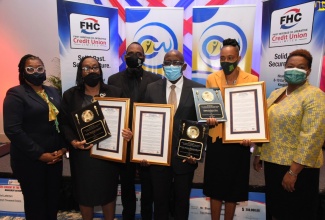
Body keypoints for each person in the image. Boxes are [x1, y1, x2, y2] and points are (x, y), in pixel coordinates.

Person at [253, 49, 325, 220]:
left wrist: (293, 172)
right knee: (277, 210)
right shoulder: (276, 93)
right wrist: (258, 152)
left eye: (301, 67)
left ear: (308, 71)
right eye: (290, 66)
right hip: (273, 163)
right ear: (284, 68)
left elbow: (312, 136)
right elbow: (265, 125)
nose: (295, 70)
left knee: (296, 212)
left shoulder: (315, 96)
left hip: (298, 169)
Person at [61, 56, 132, 220]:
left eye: (94, 67)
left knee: (108, 193)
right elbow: (64, 123)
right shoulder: (70, 95)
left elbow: (125, 120)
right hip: (82, 154)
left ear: (100, 70)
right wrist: (73, 142)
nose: (91, 71)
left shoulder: (115, 92)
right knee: (84, 194)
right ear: (81, 72)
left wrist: (128, 133)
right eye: (86, 68)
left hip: (107, 153)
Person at [140, 49, 204, 220]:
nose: (171, 66)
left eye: (176, 63)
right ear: (163, 66)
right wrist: (143, 151)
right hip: (158, 158)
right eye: (167, 63)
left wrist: (197, 154)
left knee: (182, 203)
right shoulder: (151, 89)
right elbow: (145, 122)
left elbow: (202, 126)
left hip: (185, 157)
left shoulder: (198, 89)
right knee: (159, 203)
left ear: (184, 66)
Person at [3, 54, 67, 220]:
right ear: (23, 72)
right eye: (30, 69)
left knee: (53, 200)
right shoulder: (16, 94)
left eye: (40, 68)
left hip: (55, 157)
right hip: (30, 160)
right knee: (35, 203)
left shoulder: (52, 91)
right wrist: (40, 154)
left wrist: (62, 148)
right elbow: (13, 130)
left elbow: (61, 122)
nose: (36, 72)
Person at [203, 38, 258, 220]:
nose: (226, 62)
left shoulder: (252, 79)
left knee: (234, 188)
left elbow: (253, 111)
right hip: (217, 140)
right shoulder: (211, 78)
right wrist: (208, 118)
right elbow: (207, 105)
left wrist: (251, 135)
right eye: (223, 58)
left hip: (239, 142)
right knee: (215, 187)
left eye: (230, 58)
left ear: (239, 57)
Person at [107, 42, 161, 219]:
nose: (134, 56)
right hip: (123, 142)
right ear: (124, 57)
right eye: (130, 53)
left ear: (144, 57)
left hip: (147, 143)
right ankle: (127, 216)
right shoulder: (113, 80)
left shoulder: (155, 80)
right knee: (127, 186)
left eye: (138, 54)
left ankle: (147, 216)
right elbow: (112, 112)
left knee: (149, 186)